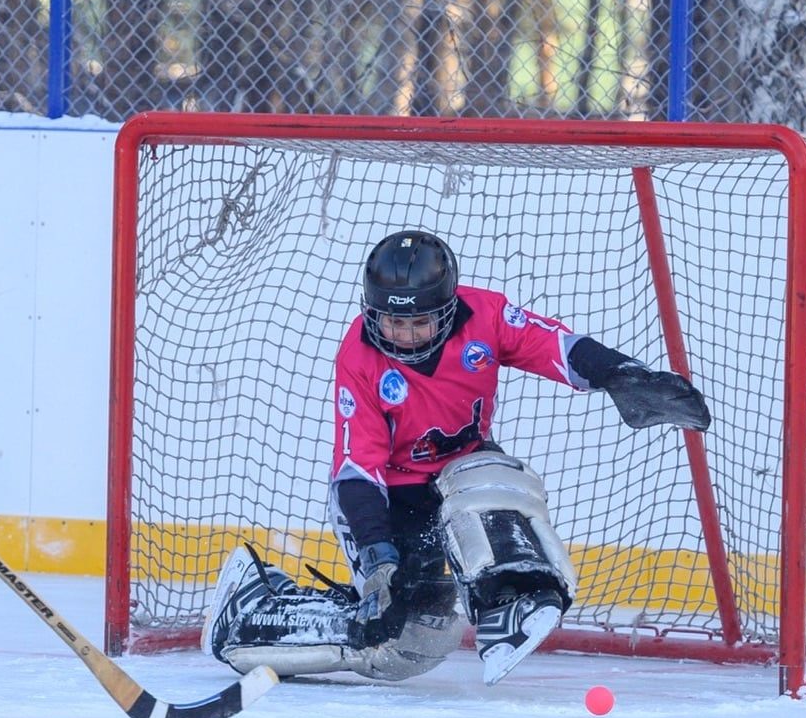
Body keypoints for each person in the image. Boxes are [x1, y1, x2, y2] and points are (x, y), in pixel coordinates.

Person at [202, 230, 710, 686]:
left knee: (488, 479)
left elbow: (553, 344)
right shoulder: (358, 356)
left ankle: (511, 596)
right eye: (390, 320)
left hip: (459, 473)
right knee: (407, 643)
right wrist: (379, 556)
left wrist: (619, 374)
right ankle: (260, 614)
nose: (403, 334)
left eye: (418, 321)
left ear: (446, 309)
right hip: (385, 498)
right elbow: (358, 469)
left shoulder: (485, 315)